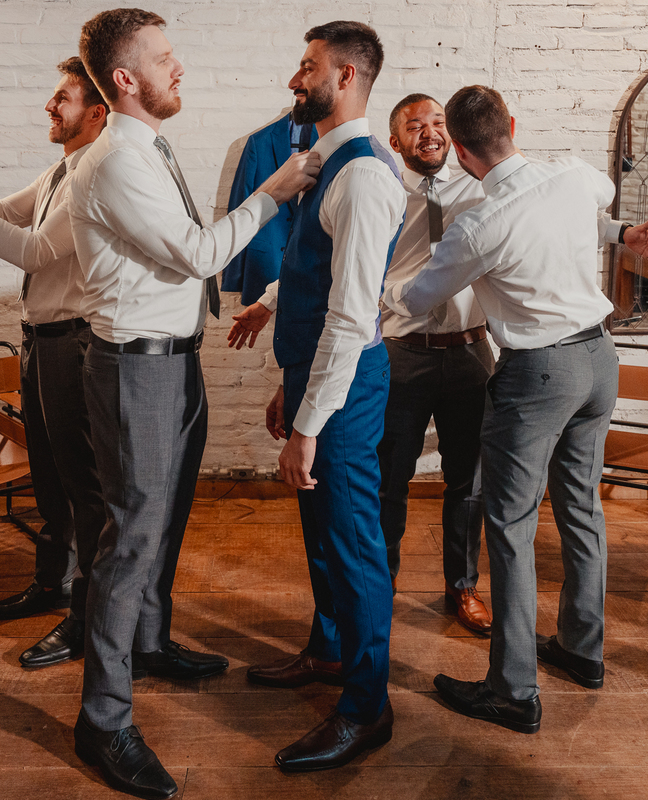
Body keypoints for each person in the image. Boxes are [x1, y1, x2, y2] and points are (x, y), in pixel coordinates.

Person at [69, 9, 319, 798]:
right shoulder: (117, 160)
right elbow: (202, 253)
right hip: (134, 370)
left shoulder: (151, 147)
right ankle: (103, 719)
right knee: (131, 540)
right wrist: (274, 191)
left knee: (166, 519)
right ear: (124, 79)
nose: (178, 68)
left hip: (173, 362)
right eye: (163, 58)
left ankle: (150, 643)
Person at [383, 85, 648, 734]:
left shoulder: (478, 225)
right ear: (512, 124)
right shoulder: (571, 175)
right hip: (599, 360)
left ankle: (513, 690)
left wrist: (372, 288)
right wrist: (621, 231)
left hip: (539, 372)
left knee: (510, 525)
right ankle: (582, 649)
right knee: (580, 508)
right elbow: (594, 202)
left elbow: (420, 296)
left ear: (460, 152)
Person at [243, 21, 405, 772]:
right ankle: (330, 649)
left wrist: (310, 423)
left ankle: (367, 708)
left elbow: (351, 315)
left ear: (344, 76)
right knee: (321, 530)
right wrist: (271, 310)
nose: (293, 80)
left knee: (353, 542)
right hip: (314, 372)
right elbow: (316, 273)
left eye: (306, 67)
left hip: (346, 384)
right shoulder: (323, 161)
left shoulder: (365, 176)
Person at [0, 56, 108, 669]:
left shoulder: (94, 177)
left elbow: (30, 250)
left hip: (74, 341)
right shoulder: (61, 170)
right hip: (39, 341)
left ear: (97, 112)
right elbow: (6, 216)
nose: (49, 106)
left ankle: (87, 613)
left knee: (83, 480)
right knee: (50, 474)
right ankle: (51, 582)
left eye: (63, 98)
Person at [376, 93, 494, 632]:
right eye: (414, 125)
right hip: (402, 353)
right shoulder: (381, 191)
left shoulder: (482, 188)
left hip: (470, 353)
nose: (429, 132)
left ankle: (462, 586)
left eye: (437, 122)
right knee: (389, 477)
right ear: (395, 140)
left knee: (469, 481)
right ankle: (380, 583)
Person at [221, 112, 316, 304]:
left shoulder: (330, 143)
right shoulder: (259, 142)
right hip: (265, 263)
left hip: (313, 264)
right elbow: (241, 202)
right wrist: (234, 276)